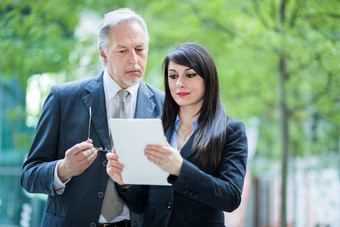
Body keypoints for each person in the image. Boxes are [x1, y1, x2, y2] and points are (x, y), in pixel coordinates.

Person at [21, 8, 164, 227]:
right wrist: (64, 168)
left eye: (139, 49)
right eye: (123, 51)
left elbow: (164, 192)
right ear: (103, 54)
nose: (134, 59)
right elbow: (29, 176)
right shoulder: (63, 98)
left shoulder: (165, 106)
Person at [106, 42, 248, 227]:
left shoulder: (230, 131)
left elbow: (230, 197)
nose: (180, 83)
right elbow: (141, 205)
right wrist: (124, 183)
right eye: (173, 76)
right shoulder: (155, 128)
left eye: (190, 75)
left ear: (208, 79)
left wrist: (180, 169)